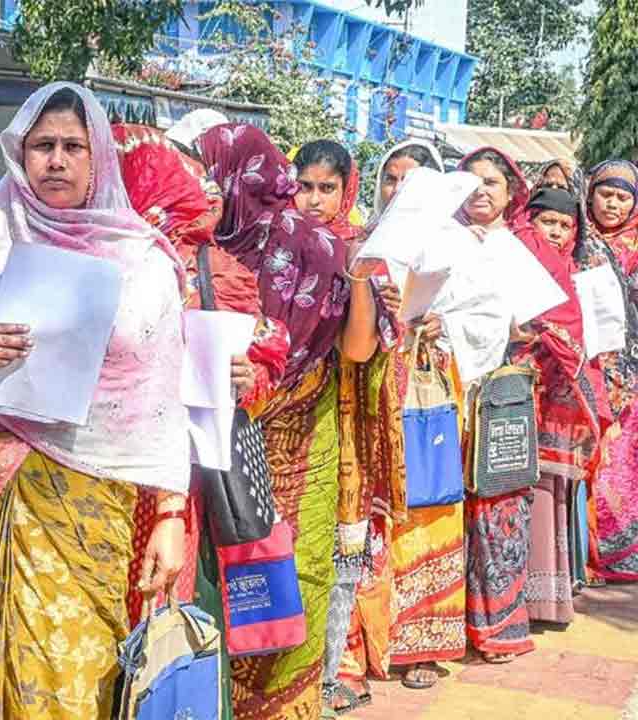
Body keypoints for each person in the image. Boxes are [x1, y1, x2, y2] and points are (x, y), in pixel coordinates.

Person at [0, 84, 189, 720]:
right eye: (42, 146)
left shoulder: (142, 266)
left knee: (74, 674)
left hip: (86, 504)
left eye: (73, 146)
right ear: (20, 154)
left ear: (99, 159)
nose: (57, 160)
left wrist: (171, 514)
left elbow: (159, 406)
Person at [112, 122, 291, 720]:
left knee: (165, 612)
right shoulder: (93, 251)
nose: (204, 191)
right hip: (93, 467)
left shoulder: (217, 270)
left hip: (178, 478)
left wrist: (248, 380)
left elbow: (262, 357)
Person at [198, 125, 368, 720]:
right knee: (223, 570)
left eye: (213, 180)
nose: (205, 193)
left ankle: (284, 702)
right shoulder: (182, 252)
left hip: (295, 433)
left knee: (291, 565)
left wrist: (368, 283)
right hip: (215, 441)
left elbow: (359, 349)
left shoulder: (315, 251)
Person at [289, 140, 406, 717]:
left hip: (339, 430)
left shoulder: (360, 252)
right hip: (279, 427)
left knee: (338, 558)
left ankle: (324, 675)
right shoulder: (274, 245)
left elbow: (358, 349)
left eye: (326, 188)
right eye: (304, 185)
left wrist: (358, 276)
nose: (313, 200)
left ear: (346, 190)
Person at [456, 147, 588, 664]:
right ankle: (441, 629)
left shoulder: (523, 248)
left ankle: (498, 627)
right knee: (442, 509)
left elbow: (559, 322)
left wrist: (517, 330)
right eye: (471, 180)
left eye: (493, 181)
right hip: (439, 392)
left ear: (513, 192)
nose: (481, 190)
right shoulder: (437, 239)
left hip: (504, 396)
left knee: (499, 506)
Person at [362, 140, 469, 693]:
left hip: (429, 403)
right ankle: (374, 641)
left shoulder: (459, 248)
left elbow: (488, 325)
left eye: (414, 180)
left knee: (427, 513)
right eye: (390, 177)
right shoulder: (365, 245)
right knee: (379, 516)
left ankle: (423, 644)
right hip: (373, 399)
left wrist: (441, 329)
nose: (399, 188)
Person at [523, 185, 609, 625]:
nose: (555, 233)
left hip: (558, 406)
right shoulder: (517, 261)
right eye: (547, 222)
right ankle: (522, 600)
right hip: (518, 395)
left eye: (564, 226)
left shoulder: (575, 273)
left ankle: (549, 597)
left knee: (550, 494)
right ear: (528, 219)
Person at [578, 160, 638, 582]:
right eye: (606, 194)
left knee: (623, 460)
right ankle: (586, 550)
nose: (613, 204)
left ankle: (622, 549)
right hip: (586, 361)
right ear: (591, 194)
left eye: (623, 197)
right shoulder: (576, 238)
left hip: (630, 368)